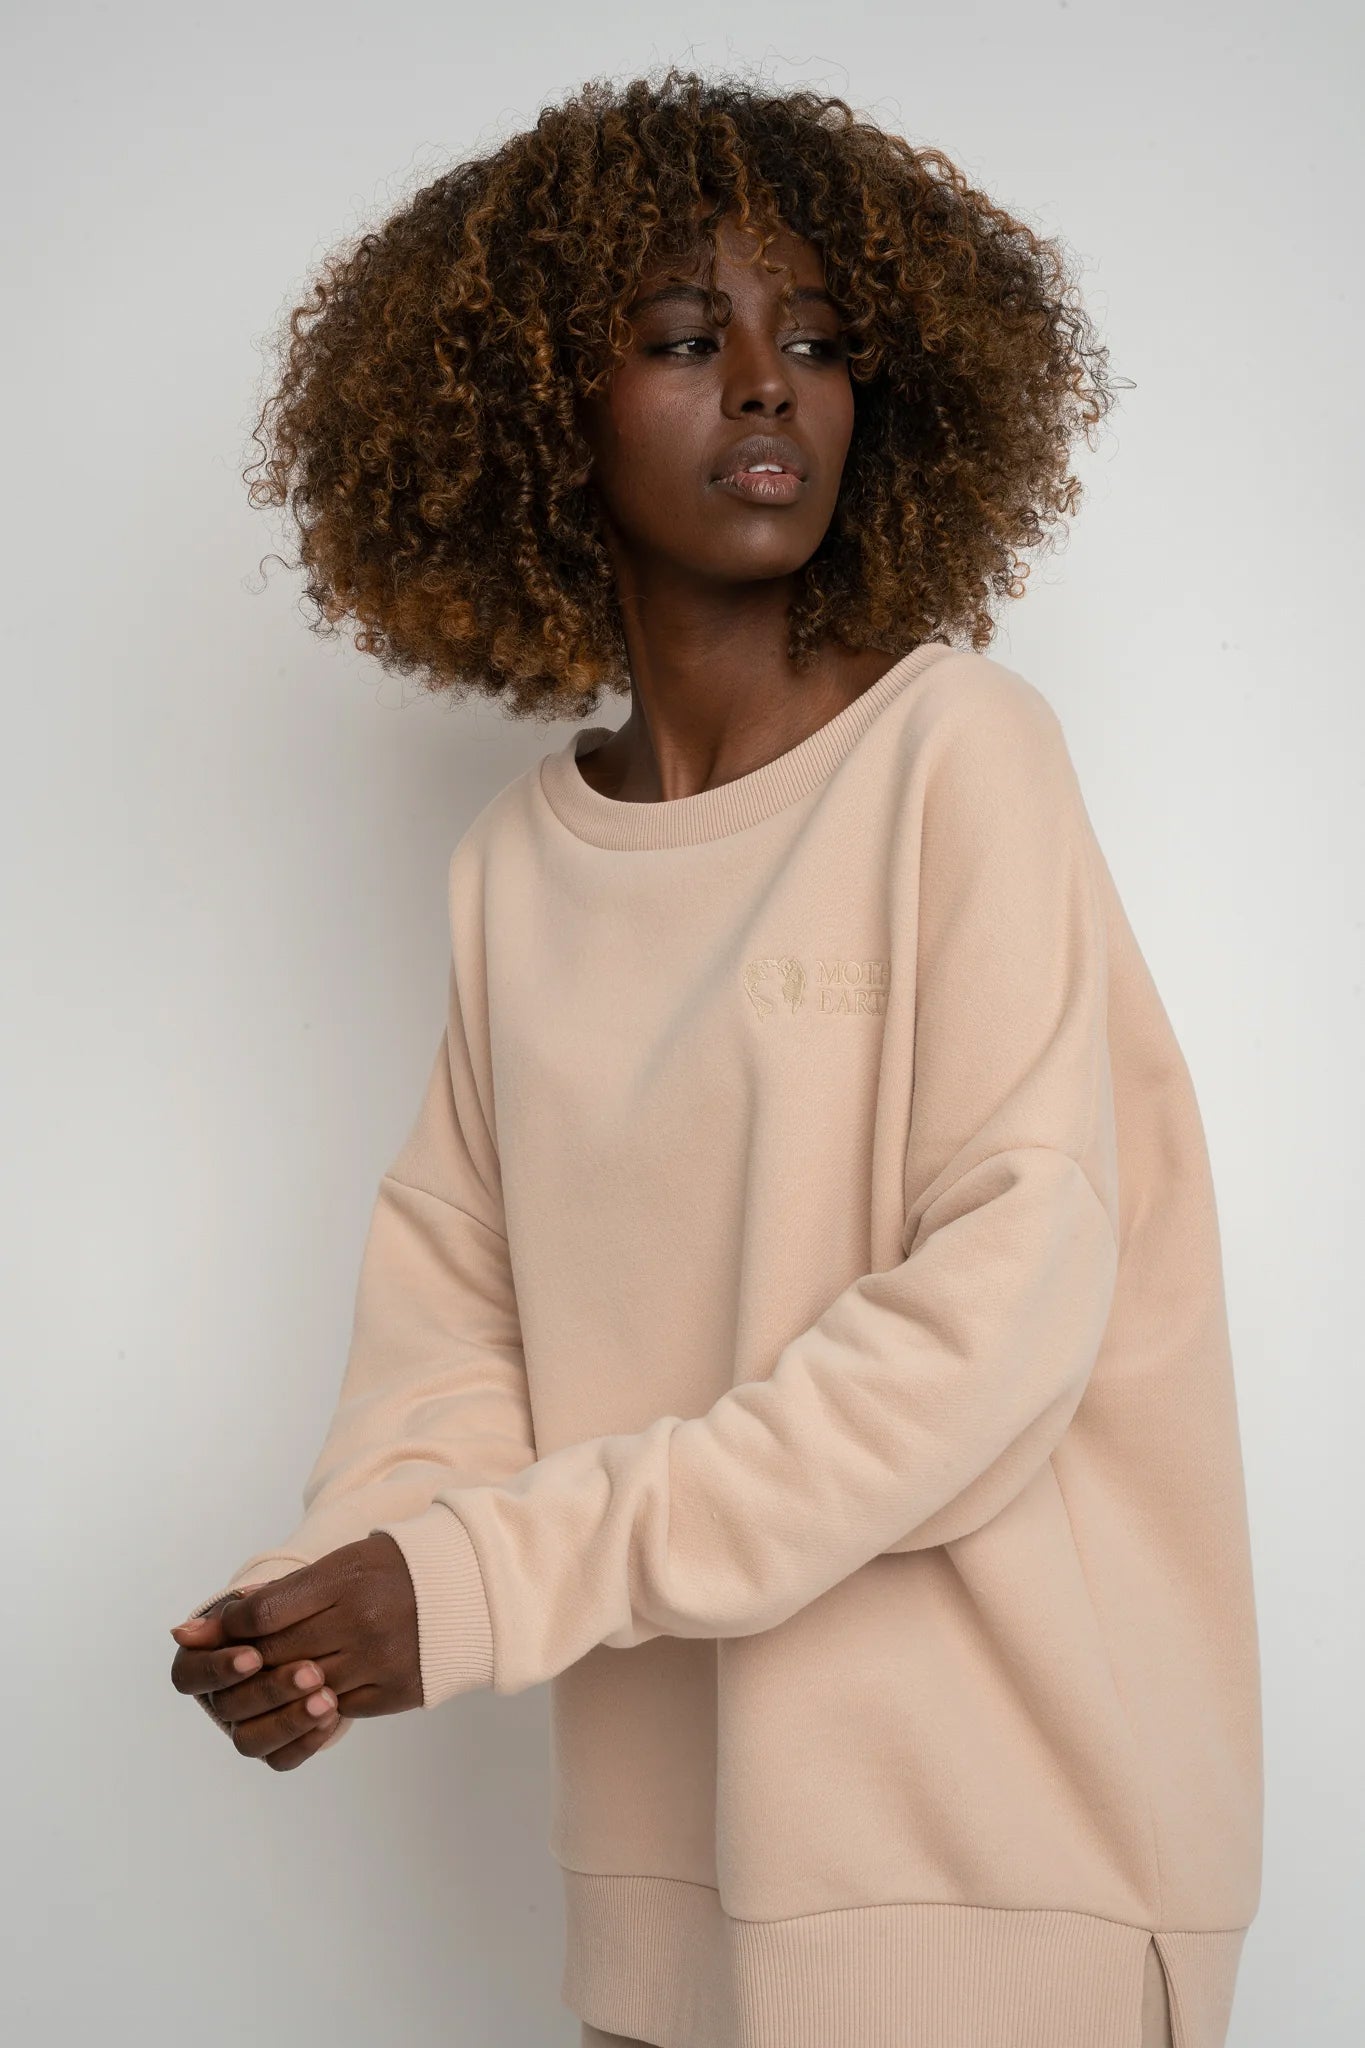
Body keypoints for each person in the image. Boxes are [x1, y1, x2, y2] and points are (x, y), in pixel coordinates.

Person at [168, 66, 1262, 2048]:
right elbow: (458, 1327)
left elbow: (990, 1323)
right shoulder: (520, 868)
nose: (769, 385)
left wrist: (482, 1580)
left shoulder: (955, 757)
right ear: (537, 416)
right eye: (686, 339)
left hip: (995, 1874)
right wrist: (330, 1597)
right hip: (673, 1899)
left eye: (817, 343)